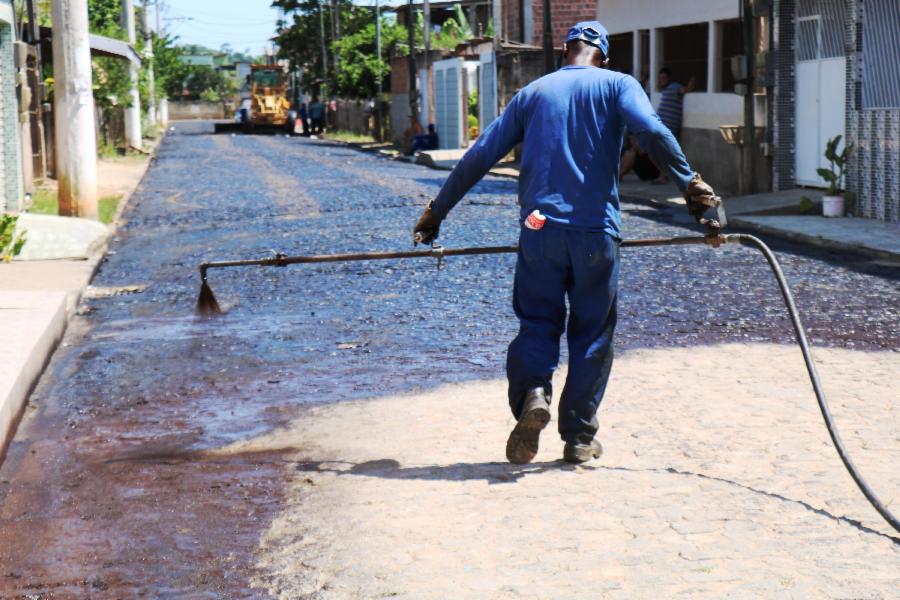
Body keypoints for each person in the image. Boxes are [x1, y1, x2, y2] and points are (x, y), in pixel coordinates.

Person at [412, 21, 717, 465]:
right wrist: (690, 184)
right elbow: (651, 131)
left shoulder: (533, 93)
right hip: (596, 234)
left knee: (538, 323)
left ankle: (535, 393)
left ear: (565, 53)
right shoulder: (618, 85)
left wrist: (437, 212)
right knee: (592, 334)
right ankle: (577, 437)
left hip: (539, 232)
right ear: (603, 57)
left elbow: (480, 155)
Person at [654, 67, 696, 183]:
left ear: (669, 78)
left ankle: (664, 176)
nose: (662, 80)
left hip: (669, 127)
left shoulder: (674, 87)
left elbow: (686, 90)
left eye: (664, 78)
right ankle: (664, 175)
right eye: (660, 78)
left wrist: (693, 79)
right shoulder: (665, 90)